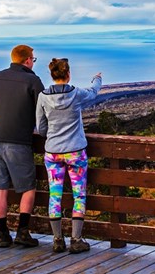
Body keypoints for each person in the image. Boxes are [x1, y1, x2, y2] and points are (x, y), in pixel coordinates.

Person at [36, 58, 102, 254]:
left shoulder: (43, 96)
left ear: (52, 75)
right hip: (75, 153)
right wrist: (97, 79)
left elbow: (41, 129)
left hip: (53, 153)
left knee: (54, 195)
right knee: (79, 194)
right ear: (68, 74)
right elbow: (93, 92)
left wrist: (53, 134)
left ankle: (57, 240)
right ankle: (76, 239)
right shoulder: (76, 93)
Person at [0, 44, 44, 248]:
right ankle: (22, 232)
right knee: (28, 187)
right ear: (27, 60)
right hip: (18, 141)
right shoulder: (33, 80)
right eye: (33, 59)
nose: (33, 62)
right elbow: (43, 110)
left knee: (0, 188)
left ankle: (3, 234)